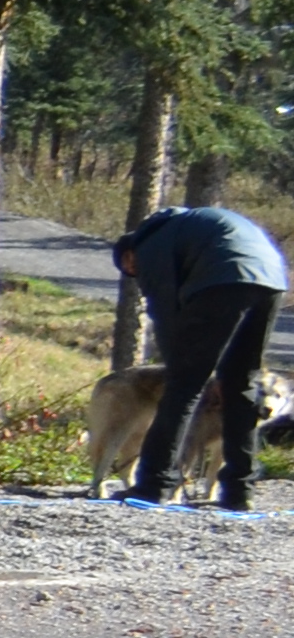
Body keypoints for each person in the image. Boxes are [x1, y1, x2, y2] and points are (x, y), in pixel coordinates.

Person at [109, 202, 282, 510]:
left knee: (183, 386)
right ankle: (238, 492)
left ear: (129, 253)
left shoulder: (150, 243)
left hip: (223, 278)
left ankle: (154, 485)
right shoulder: (190, 228)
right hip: (271, 278)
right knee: (241, 384)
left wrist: (183, 367)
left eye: (130, 269)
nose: (134, 273)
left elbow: (164, 312)